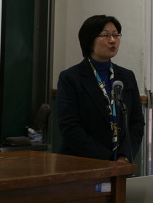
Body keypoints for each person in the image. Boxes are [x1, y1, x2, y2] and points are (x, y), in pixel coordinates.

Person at [56, 14, 145, 163]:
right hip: (82, 163)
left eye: (116, 35)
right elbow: (69, 127)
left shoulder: (126, 76)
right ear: (89, 40)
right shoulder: (71, 78)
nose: (112, 40)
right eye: (105, 35)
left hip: (120, 164)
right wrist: (107, 159)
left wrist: (124, 157)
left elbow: (136, 123)